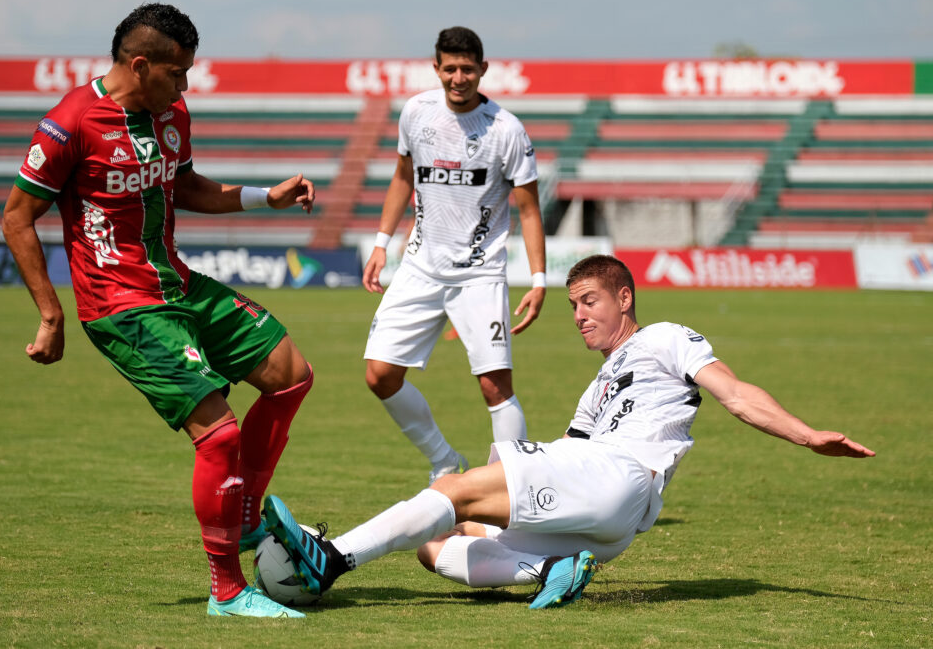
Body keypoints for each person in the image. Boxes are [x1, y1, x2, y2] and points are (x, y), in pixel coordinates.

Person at [260, 254, 875, 609]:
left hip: (621, 476)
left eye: (589, 301)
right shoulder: (597, 385)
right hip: (606, 526)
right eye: (574, 306)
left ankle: (331, 559)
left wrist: (806, 435)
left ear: (625, 298)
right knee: (436, 544)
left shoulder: (663, 336)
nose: (579, 316)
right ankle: (552, 571)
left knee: (456, 487)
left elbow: (735, 394)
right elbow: (570, 454)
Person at [2, 3, 316, 619]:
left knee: (290, 374)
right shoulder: (69, 125)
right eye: (177, 74)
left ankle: (248, 511)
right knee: (218, 435)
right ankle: (227, 591)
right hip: (120, 306)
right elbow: (16, 218)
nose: (186, 86)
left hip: (176, 284)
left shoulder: (170, 114)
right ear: (140, 65)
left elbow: (188, 187)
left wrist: (265, 197)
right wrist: (50, 313)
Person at [361, 26, 547, 484]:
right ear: (436, 68)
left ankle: (505, 489)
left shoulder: (506, 130)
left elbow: (528, 209)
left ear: (483, 70)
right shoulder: (417, 113)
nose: (458, 77)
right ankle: (445, 461)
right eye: (450, 68)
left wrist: (539, 280)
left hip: (479, 274)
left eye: (468, 69)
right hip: (420, 267)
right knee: (380, 375)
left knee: (494, 387)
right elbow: (403, 177)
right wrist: (382, 244)